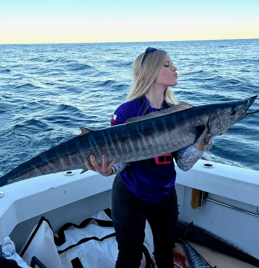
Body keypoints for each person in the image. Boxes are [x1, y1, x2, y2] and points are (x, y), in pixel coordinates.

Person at [84, 47, 214, 268]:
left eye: (171, 64)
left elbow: (183, 162)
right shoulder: (126, 112)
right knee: (129, 258)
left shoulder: (178, 112)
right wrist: (109, 170)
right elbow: (121, 160)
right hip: (130, 194)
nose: (174, 68)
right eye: (166, 65)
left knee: (166, 254)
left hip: (165, 194)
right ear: (152, 72)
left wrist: (202, 141)